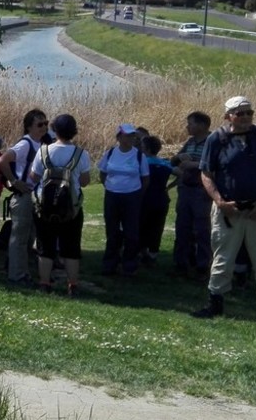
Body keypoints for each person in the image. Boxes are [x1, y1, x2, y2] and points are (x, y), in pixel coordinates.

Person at [193, 96, 256, 326]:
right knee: (223, 258)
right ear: (228, 116)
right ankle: (215, 303)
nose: (245, 117)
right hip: (228, 210)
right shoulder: (217, 139)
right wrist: (219, 202)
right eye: (240, 113)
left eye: (249, 113)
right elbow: (206, 173)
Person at [30, 113, 92, 296]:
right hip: (71, 208)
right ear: (74, 131)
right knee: (71, 248)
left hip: (44, 207)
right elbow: (85, 181)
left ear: (54, 130)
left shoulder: (43, 151)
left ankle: (44, 283)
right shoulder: (81, 154)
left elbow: (34, 177)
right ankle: (72, 285)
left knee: (45, 246)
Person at [0, 109, 48, 285]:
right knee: (19, 238)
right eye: (39, 124)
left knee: (29, 237)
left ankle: (21, 271)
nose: (44, 127)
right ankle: (16, 275)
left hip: (35, 196)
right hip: (24, 196)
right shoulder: (26, 144)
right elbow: (2, 160)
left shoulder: (41, 144)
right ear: (29, 127)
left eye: (46, 123)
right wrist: (14, 181)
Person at [98, 122, 149, 276]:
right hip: (112, 196)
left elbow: (145, 178)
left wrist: (137, 194)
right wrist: (110, 186)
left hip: (132, 196)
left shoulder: (139, 156)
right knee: (112, 231)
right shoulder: (110, 153)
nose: (131, 138)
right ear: (119, 137)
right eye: (127, 135)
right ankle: (110, 264)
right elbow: (103, 173)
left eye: (132, 135)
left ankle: (129, 265)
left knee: (131, 232)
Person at [172, 111, 213, 278]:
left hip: (202, 191)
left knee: (202, 230)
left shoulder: (212, 142)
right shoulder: (189, 142)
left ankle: (202, 267)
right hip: (185, 189)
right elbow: (174, 161)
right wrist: (178, 157)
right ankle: (181, 264)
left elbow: (216, 164)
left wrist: (193, 164)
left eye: (191, 123)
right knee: (182, 228)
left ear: (202, 125)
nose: (187, 127)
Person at [138, 134, 173, 265]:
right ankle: (153, 254)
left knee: (141, 226)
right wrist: (170, 186)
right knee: (157, 228)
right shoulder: (165, 163)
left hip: (145, 199)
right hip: (161, 199)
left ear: (146, 149)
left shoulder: (142, 163)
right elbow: (181, 174)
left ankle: (141, 252)